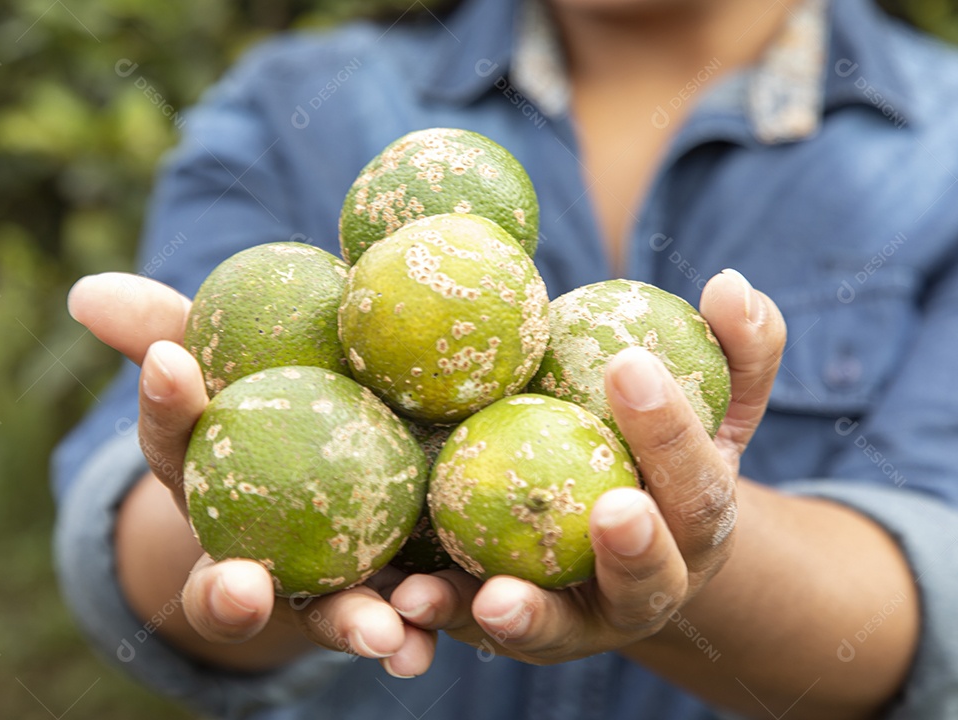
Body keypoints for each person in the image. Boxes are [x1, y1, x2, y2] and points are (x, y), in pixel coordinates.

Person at [53, 0, 958, 717]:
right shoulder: (294, 101)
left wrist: (696, 544)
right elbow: (127, 553)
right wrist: (239, 504)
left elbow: (930, 604)